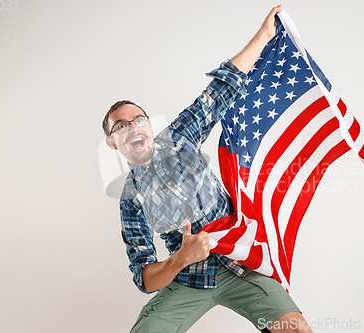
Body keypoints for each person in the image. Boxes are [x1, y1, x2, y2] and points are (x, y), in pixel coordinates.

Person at [102, 6, 314, 333]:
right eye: (121, 126)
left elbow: (220, 91)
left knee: (297, 330)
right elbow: (144, 277)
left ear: (149, 126)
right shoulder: (131, 199)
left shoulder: (179, 137)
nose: (132, 128)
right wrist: (180, 259)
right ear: (112, 143)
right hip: (189, 279)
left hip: (240, 263)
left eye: (138, 120)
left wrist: (264, 35)